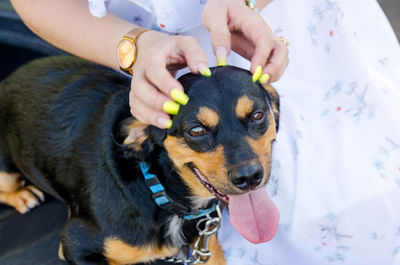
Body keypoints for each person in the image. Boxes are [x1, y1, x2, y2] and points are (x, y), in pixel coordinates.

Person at [10, 0, 400, 264]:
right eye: (199, 132)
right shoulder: (138, 139)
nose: (246, 166)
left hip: (276, 34)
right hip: (140, 56)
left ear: (274, 110)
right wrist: (135, 47)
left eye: (258, 120)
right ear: (140, 139)